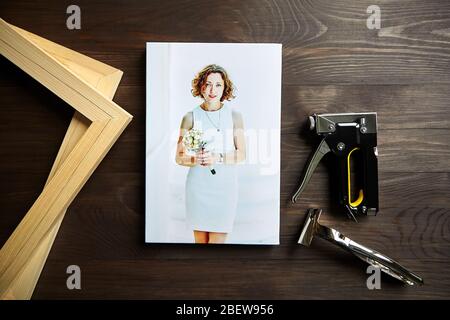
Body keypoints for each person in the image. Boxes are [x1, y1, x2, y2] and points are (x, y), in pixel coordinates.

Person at [175, 64, 246, 244]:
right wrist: (194, 158)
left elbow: (242, 154)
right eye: (207, 84)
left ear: (225, 88)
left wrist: (218, 158)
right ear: (201, 87)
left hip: (225, 188)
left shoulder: (235, 116)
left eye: (218, 85)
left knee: (217, 243)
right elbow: (179, 156)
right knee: (200, 243)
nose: (212, 90)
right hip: (198, 187)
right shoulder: (190, 117)